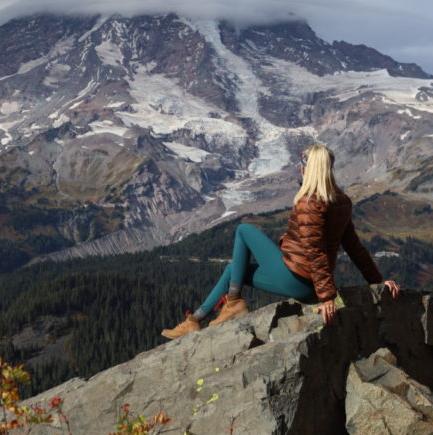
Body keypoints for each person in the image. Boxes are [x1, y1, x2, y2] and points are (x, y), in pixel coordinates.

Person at [161, 143, 400, 338]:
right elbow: (354, 248)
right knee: (235, 269)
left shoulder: (309, 202)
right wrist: (376, 282)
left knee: (244, 230)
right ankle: (194, 321)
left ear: (307, 169)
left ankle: (233, 303)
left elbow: (314, 249)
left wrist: (328, 298)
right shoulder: (341, 201)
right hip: (310, 286)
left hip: (296, 278)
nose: (300, 170)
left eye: (301, 166)